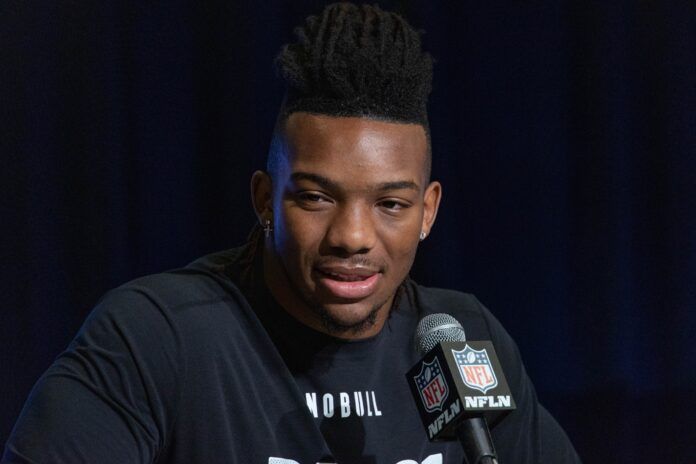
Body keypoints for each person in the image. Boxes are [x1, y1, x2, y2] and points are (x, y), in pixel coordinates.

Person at [2, 3, 581, 463]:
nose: (352, 236)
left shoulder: (462, 338)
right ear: (264, 199)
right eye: (316, 197)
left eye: (390, 203)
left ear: (427, 212)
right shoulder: (158, 338)